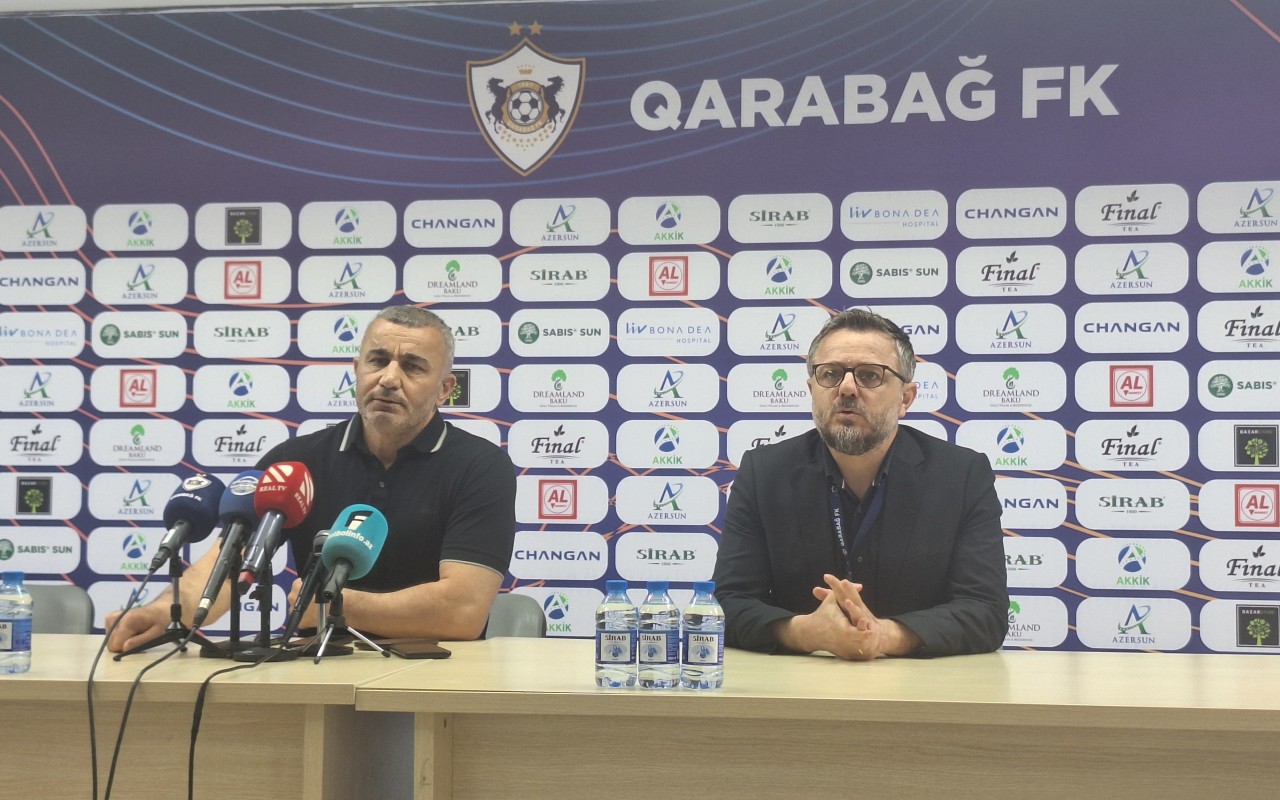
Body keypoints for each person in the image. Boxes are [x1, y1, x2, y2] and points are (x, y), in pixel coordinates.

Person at [106, 306, 517, 652]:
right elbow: (226, 565)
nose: (389, 379)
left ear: (445, 389)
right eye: (377, 361)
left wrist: (332, 603)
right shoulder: (294, 463)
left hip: (435, 673)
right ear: (356, 369)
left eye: (412, 367)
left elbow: (462, 611)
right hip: (317, 670)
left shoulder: (481, 467)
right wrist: (164, 612)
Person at [712, 308, 1007, 660]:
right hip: (798, 681)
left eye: (869, 375)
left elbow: (985, 611)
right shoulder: (764, 473)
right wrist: (806, 632)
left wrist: (884, 636)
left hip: (920, 684)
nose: (847, 389)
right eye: (830, 374)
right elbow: (728, 602)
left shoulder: (961, 475)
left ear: (906, 398)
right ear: (812, 389)